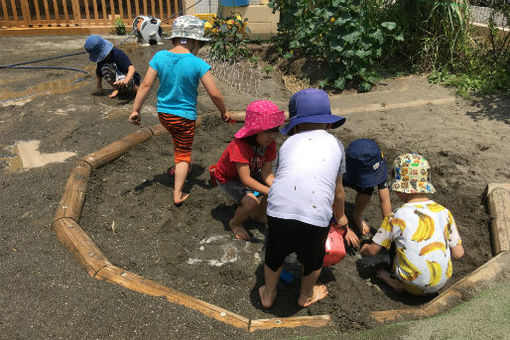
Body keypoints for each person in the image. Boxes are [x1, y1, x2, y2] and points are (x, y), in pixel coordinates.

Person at [258, 88, 348, 308]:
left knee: (275, 254)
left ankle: (269, 293)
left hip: (278, 211)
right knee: (313, 259)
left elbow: (283, 180)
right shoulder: (336, 145)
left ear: (295, 126)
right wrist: (342, 216)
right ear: (328, 124)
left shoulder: (288, 144)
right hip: (315, 217)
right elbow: (338, 191)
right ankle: (306, 295)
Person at [129, 15, 230, 206]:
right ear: (194, 41)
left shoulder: (159, 57)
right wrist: (224, 111)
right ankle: (177, 193)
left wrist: (136, 110)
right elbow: (214, 93)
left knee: (177, 139)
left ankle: (179, 167)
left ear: (175, 38)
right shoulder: (197, 63)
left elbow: (145, 86)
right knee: (184, 154)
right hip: (184, 117)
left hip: (164, 115)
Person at [360, 153, 464, 295]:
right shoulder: (445, 212)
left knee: (394, 248)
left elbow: (372, 251)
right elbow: (458, 253)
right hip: (441, 282)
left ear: (400, 188)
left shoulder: (395, 216)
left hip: (410, 284)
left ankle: (397, 284)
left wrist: (363, 248)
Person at [214, 100, 285, 240]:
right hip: (228, 178)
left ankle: (259, 214)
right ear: (254, 131)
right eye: (267, 131)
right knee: (250, 202)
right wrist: (271, 191)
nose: (272, 136)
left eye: (275, 130)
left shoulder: (269, 144)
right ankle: (235, 223)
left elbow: (267, 173)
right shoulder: (239, 146)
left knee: (277, 188)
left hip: (252, 173)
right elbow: (245, 179)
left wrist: (278, 188)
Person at [342, 138, 392, 247]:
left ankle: (356, 215)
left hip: (355, 174)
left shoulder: (378, 167)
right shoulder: (338, 167)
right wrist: (344, 227)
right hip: (344, 178)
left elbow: (385, 200)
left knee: (368, 189)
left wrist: (388, 228)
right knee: (338, 195)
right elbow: (333, 197)